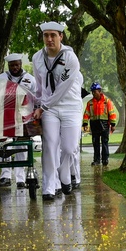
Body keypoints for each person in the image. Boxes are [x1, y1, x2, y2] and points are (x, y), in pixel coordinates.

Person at [32, 21, 82, 201]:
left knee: (69, 148)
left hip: (70, 106)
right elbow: (39, 87)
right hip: (49, 109)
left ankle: (64, 170)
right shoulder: (37, 57)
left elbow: (62, 88)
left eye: (53, 35)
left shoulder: (70, 58)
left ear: (61, 36)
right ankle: (48, 187)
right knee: (50, 146)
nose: (49, 39)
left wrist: (44, 106)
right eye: (46, 36)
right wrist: (38, 106)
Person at [0, 52, 36, 189]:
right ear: (8, 65)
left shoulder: (30, 79)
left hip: (24, 117)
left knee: (22, 147)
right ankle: (5, 176)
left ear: (21, 64)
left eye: (17, 65)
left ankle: (21, 178)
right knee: (5, 145)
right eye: (12, 65)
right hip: (5, 116)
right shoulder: (1, 78)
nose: (14, 68)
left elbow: (35, 97)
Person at [83, 82, 117, 166]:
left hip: (104, 124)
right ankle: (96, 160)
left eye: (95, 91)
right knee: (95, 143)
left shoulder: (107, 101)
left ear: (99, 91)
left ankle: (105, 159)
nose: (93, 93)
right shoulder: (90, 103)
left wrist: (113, 125)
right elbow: (86, 114)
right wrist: (85, 124)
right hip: (94, 124)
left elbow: (112, 113)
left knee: (105, 142)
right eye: (92, 91)